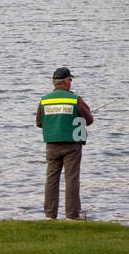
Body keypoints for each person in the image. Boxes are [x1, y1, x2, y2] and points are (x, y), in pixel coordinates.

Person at [36, 66, 93, 220]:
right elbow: (89, 120)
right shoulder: (75, 99)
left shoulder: (44, 100)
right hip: (71, 144)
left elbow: (39, 123)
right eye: (70, 80)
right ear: (67, 82)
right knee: (72, 178)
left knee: (52, 179)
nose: (71, 82)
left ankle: (50, 215)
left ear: (55, 83)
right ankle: (72, 215)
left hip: (52, 144)